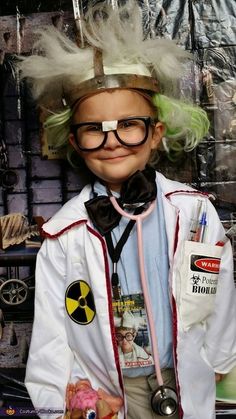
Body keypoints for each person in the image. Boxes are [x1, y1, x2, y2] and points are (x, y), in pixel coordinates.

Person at [18, 2, 236, 419]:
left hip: (182, 375)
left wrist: (219, 360)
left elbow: (219, 294)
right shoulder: (65, 235)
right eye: (93, 131)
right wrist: (64, 395)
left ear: (156, 133)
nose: (112, 141)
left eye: (129, 125)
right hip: (114, 391)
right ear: (76, 143)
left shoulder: (195, 214)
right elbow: (50, 334)